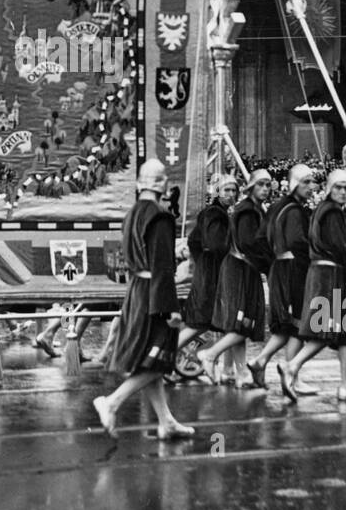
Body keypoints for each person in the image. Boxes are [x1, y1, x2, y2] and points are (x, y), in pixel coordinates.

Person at [93, 159, 193, 440]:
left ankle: (166, 421)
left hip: (137, 290)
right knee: (159, 359)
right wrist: (170, 308)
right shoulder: (160, 217)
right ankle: (111, 402)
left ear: (138, 183)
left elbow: (145, 256)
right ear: (163, 184)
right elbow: (161, 266)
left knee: (152, 360)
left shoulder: (132, 214)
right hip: (155, 294)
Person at [280, 169, 346, 403]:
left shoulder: (326, 210)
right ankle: (293, 366)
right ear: (330, 188)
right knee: (325, 328)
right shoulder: (331, 213)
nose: (343, 192)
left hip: (329, 273)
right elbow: (340, 246)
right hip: (329, 274)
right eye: (338, 187)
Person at [198, 169, 274, 388]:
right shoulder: (248, 211)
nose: (265, 189)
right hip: (239, 269)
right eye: (261, 184)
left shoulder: (252, 209)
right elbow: (248, 243)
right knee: (241, 322)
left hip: (244, 269)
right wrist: (268, 264)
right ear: (251, 187)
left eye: (268, 185)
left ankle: (236, 372)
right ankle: (211, 355)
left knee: (240, 323)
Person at [247, 163, 316, 394]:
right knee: (299, 323)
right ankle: (292, 375)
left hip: (280, 268)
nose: (311, 186)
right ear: (295, 184)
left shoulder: (276, 207)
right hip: (294, 270)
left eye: (312, 181)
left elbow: (259, 240)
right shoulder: (295, 211)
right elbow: (298, 241)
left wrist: (272, 263)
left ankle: (261, 361)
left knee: (289, 324)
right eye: (305, 182)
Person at [175, 174, 236, 359]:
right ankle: (164, 356)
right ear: (217, 192)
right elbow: (217, 245)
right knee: (202, 322)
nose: (231, 194)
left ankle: (228, 368)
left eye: (234, 190)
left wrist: (202, 260)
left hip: (208, 273)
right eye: (227, 190)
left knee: (210, 323)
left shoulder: (213, 213)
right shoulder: (216, 214)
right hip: (213, 276)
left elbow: (194, 241)